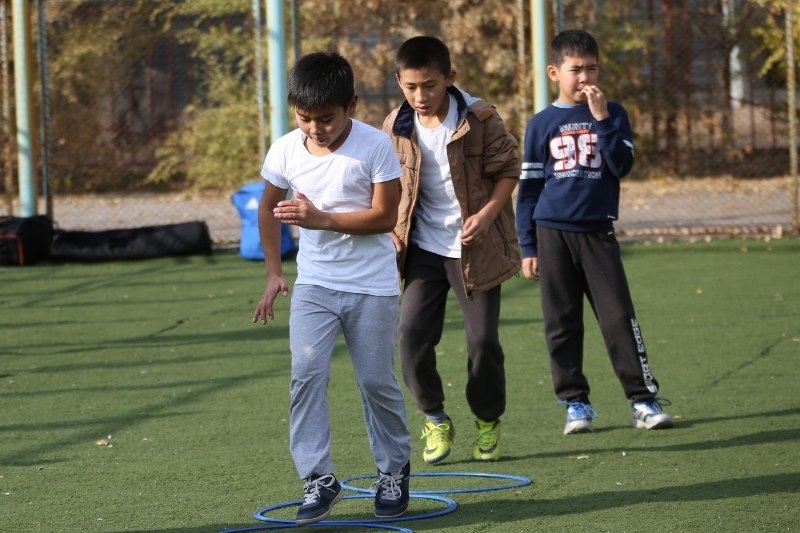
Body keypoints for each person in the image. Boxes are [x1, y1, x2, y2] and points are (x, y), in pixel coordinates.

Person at [252, 51, 412, 524]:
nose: (315, 128)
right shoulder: (285, 149)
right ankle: (318, 478)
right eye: (305, 118)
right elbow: (267, 209)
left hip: (372, 286)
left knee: (376, 380)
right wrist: (274, 273)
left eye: (326, 118)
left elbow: (385, 216)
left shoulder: (374, 146)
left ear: (351, 105)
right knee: (306, 374)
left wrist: (321, 219)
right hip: (315, 284)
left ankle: (393, 471)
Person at [515, 29, 673, 435]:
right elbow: (529, 189)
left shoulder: (613, 114)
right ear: (554, 72)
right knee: (561, 322)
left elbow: (621, 165)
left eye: (592, 68)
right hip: (551, 234)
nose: (585, 77)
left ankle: (642, 400)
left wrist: (601, 119)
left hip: (597, 233)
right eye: (576, 69)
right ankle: (575, 403)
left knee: (618, 317)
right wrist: (528, 246)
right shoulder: (541, 124)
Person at [383, 36, 521, 464]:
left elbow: (508, 170)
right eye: (410, 87)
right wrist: (391, 229)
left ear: (449, 78)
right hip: (423, 250)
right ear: (399, 82)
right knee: (410, 336)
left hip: (475, 248)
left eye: (429, 85)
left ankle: (487, 419)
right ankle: (435, 417)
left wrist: (487, 215)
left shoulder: (479, 118)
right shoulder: (395, 126)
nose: (420, 96)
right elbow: (386, 184)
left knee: (483, 342)